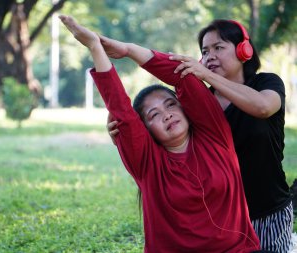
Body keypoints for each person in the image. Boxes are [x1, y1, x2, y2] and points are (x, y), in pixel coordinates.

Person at [59, 15, 261, 252]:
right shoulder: (147, 164)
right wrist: (95, 47)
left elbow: (181, 74)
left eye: (170, 104)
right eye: (153, 115)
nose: (166, 114)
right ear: (146, 129)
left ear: (184, 107)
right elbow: (123, 113)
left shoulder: (215, 136)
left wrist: (128, 50)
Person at [107, 19, 293, 252]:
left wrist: (206, 75)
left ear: (243, 50)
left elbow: (263, 107)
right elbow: (167, 135)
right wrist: (121, 133)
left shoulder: (266, 83)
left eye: (218, 47)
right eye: (205, 51)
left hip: (267, 211)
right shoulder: (201, 103)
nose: (210, 56)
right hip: (221, 223)